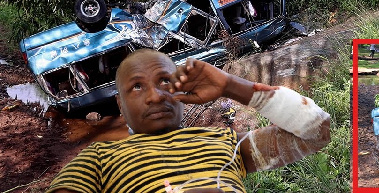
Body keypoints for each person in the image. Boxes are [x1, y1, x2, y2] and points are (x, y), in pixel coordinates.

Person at [46, 49, 331, 193]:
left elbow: (316, 132)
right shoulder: (99, 158)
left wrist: (231, 85)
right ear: (119, 104)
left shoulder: (226, 141)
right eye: (136, 87)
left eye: (165, 81)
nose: (155, 97)